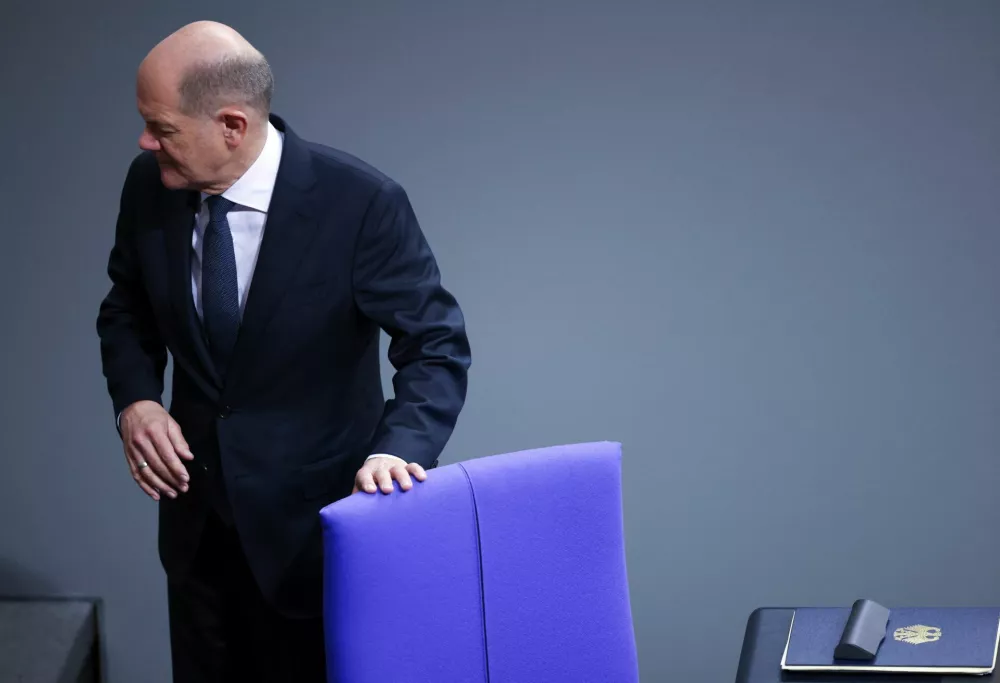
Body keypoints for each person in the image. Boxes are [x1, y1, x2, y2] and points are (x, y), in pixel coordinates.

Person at [95, 20, 471, 682]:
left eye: (162, 127)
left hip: (310, 543)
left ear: (232, 126)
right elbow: (126, 306)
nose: (146, 140)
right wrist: (138, 399)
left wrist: (398, 448)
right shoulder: (148, 184)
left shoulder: (360, 204)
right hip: (196, 537)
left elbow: (435, 343)